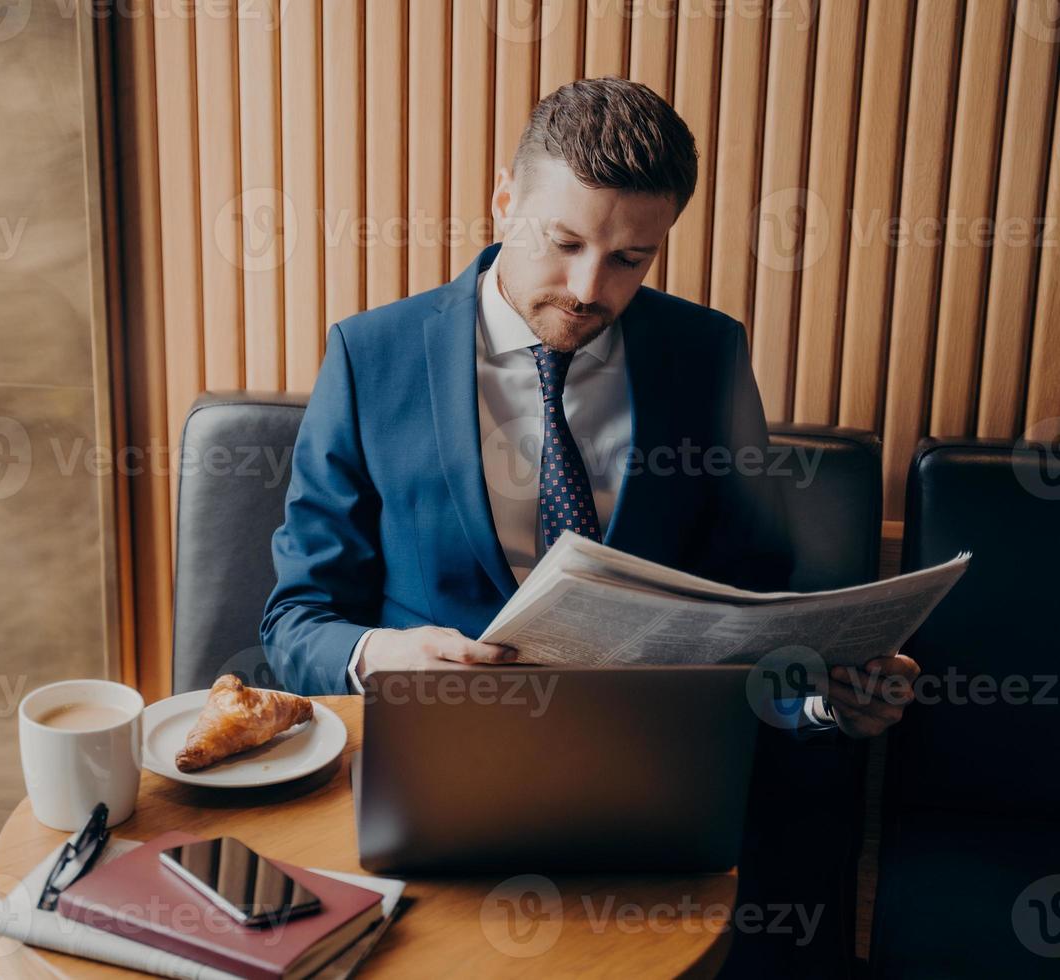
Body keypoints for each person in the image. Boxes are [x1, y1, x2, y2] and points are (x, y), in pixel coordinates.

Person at [260, 78, 919, 977]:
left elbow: (758, 607)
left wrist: (823, 701)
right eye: (564, 243)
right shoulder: (370, 357)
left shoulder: (705, 355)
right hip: (436, 788)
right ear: (504, 201)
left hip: (650, 789)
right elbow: (296, 621)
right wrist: (381, 656)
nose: (587, 288)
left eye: (631, 260)